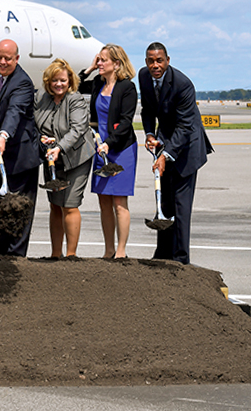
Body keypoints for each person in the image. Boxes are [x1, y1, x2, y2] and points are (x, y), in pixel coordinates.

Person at [139, 42, 213, 264]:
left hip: (187, 146)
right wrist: (150, 134)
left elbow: (185, 127)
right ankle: (163, 254)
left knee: (180, 207)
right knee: (164, 204)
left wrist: (165, 155)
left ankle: (181, 260)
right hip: (165, 141)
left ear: (167, 61)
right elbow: (148, 109)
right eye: (151, 61)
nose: (155, 65)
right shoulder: (144, 76)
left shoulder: (183, 85)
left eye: (159, 60)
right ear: (146, 62)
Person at [0, 39, 41, 256]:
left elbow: (15, 111)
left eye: (7, 58)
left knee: (18, 210)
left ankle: (15, 257)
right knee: (0, 209)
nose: (2, 62)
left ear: (17, 59)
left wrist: (3, 136)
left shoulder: (23, 82)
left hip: (20, 158)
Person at [79, 44, 138, 259]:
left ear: (117, 63)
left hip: (120, 148)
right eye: (99, 59)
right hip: (99, 147)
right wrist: (91, 68)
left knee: (119, 202)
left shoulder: (127, 88)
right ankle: (108, 249)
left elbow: (125, 123)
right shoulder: (97, 82)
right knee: (103, 200)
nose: (100, 63)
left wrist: (109, 144)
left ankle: (121, 251)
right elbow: (73, 86)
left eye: (104, 60)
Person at [34, 59, 95, 258]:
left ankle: (71, 255)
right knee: (55, 204)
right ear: (48, 81)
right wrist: (41, 139)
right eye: (54, 81)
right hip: (52, 157)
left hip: (76, 157)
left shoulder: (75, 100)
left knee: (69, 204)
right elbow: (33, 123)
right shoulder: (41, 97)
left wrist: (59, 145)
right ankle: (55, 254)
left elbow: (78, 129)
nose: (58, 84)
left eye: (62, 80)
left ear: (69, 81)